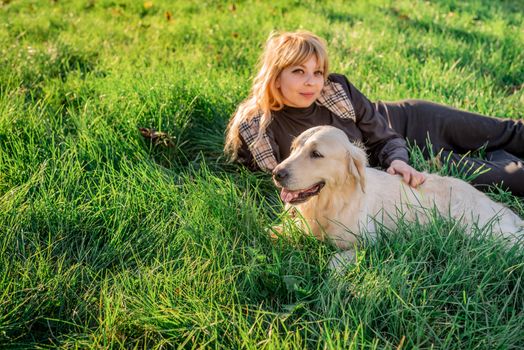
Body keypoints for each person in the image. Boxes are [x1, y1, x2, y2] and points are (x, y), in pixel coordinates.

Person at [224, 30, 524, 196]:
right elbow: (275, 181)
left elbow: (382, 137)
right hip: (409, 164)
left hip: (408, 125)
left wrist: (397, 160)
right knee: (509, 178)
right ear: (276, 76)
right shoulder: (259, 129)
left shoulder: (336, 89)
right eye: (299, 71)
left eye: (318, 72)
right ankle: (500, 160)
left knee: (509, 132)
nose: (312, 82)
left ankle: (501, 149)